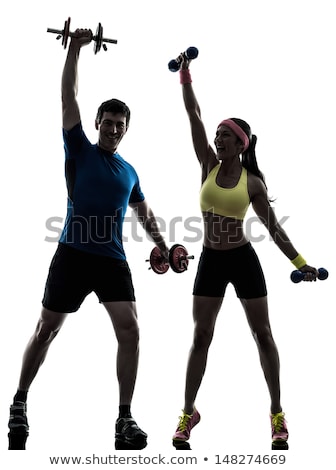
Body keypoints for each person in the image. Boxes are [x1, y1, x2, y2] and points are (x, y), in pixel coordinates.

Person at [8, 28, 169, 451]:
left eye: (121, 125)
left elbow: (144, 211)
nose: (114, 129)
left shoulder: (130, 171)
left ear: (126, 129)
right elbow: (68, 98)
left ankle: (124, 419)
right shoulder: (78, 148)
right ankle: (20, 402)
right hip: (73, 255)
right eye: (109, 123)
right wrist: (76, 49)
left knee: (131, 331)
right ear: (97, 124)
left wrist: (164, 245)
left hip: (111, 259)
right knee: (46, 329)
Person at [171, 53, 318, 450]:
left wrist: (301, 263)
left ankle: (277, 414)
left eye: (224, 135)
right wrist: (185, 73)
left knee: (263, 335)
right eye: (216, 135)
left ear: (241, 143)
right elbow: (194, 114)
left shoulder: (253, 183)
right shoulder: (207, 163)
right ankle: (187, 413)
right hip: (210, 260)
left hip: (242, 259)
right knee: (201, 336)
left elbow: (273, 228)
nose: (217, 139)